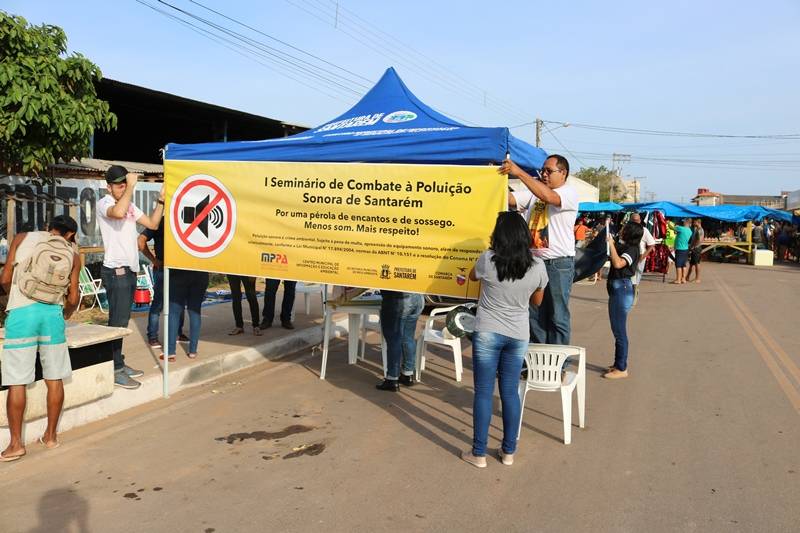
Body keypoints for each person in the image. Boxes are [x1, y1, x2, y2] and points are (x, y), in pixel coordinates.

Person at [460, 212, 547, 468]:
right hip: (518, 334)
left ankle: (478, 453)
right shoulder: (538, 267)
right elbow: (537, 302)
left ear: (498, 235)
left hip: (487, 331)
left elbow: (472, 276)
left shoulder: (488, 260)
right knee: (510, 392)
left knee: (484, 393)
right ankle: (508, 451)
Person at [1, 215, 81, 460]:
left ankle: (16, 444)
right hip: (52, 316)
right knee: (54, 378)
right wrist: (65, 313)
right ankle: (50, 437)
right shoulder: (73, 255)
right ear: (69, 235)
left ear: (48, 228)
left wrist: (15, 297)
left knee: (17, 381)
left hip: (21, 315)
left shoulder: (22, 238)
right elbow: (73, 298)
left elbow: (4, 279)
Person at [97, 165, 165, 389]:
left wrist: (161, 203)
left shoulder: (129, 204)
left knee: (122, 322)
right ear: (109, 187)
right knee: (117, 323)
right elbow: (117, 212)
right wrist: (132, 187)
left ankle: (118, 363)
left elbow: (153, 224)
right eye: (119, 185)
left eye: (124, 184)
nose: (123, 188)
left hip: (129, 270)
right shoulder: (105, 203)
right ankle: (114, 369)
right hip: (116, 271)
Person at [501, 154, 578, 345]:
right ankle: (539, 360)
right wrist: (492, 178)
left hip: (558, 264)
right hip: (533, 263)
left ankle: (559, 363)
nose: (544, 174)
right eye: (542, 170)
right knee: (534, 313)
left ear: (563, 173)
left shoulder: (568, 192)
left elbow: (548, 197)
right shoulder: (534, 193)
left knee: (557, 315)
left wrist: (519, 172)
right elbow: (509, 199)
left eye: (548, 171)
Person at [138, 221, 187, 348]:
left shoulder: (181, 219)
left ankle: (177, 333)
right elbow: (141, 241)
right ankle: (153, 336)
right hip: (164, 268)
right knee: (159, 304)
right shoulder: (159, 223)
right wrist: (154, 260)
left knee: (179, 303)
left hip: (180, 268)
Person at [604, 222, 643, 380]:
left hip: (622, 289)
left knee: (619, 331)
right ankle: (617, 364)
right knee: (617, 329)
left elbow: (618, 263)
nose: (621, 230)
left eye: (624, 228)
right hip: (618, 289)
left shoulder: (632, 250)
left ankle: (622, 368)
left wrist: (612, 245)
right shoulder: (625, 246)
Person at [374, 291, 425, 391]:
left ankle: (392, 379)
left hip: (398, 299)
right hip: (417, 297)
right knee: (408, 337)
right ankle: (407, 374)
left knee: (394, 340)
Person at [165, 269, 209, 361]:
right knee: (195, 312)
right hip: (200, 273)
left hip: (177, 273)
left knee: (173, 313)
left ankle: (170, 351)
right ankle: (193, 351)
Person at [630, 213, 656, 298]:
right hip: (629, 255)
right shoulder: (627, 229)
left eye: (637, 220)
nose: (635, 222)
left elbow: (651, 244)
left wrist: (644, 255)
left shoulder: (644, 230)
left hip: (640, 256)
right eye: (633, 220)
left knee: (637, 276)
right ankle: (630, 292)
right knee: (629, 275)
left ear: (640, 220)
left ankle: (634, 293)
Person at [672, 218, 692, 284]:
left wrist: (669, 223)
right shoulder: (690, 230)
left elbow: (672, 227)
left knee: (678, 265)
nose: (682, 223)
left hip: (680, 249)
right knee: (684, 265)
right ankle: (683, 279)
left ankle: (678, 279)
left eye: (683, 222)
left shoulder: (681, 228)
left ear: (686, 222)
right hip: (685, 249)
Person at [686, 219, 705, 283]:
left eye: (694, 222)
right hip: (694, 248)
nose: (693, 223)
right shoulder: (696, 229)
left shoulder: (700, 230)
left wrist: (693, 247)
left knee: (697, 263)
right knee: (691, 264)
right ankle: (687, 277)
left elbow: (699, 240)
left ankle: (697, 278)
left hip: (697, 248)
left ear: (698, 222)